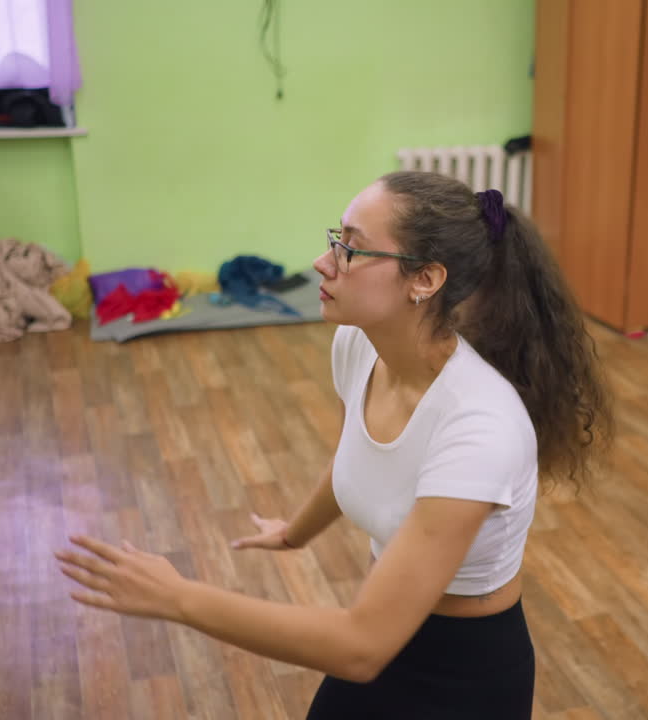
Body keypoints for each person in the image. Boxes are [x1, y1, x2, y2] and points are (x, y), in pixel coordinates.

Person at [55, 170, 613, 718]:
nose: (324, 262)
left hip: (462, 674)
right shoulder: (359, 347)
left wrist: (177, 597)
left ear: (425, 280)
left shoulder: (479, 427)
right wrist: (294, 532)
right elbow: (360, 454)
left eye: (352, 249)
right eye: (335, 239)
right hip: (384, 624)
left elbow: (361, 646)